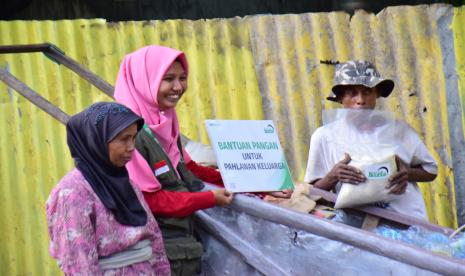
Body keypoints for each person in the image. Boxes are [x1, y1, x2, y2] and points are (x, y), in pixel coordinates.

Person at [114, 45, 291, 275]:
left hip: (182, 249)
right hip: (154, 256)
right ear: (144, 79)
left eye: (182, 78)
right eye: (168, 79)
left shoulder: (163, 124)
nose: (178, 87)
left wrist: (259, 185)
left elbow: (191, 170)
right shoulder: (129, 135)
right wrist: (209, 198)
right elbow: (151, 199)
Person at [46, 102, 170, 275]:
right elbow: (78, 264)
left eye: (133, 138)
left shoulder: (128, 185)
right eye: (124, 139)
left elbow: (155, 242)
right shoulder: (72, 193)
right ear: (97, 140)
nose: (131, 147)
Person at [304, 60, 437, 219]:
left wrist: (407, 173)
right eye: (352, 93)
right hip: (356, 227)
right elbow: (311, 194)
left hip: (406, 222)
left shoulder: (399, 130)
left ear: (377, 94)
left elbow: (431, 171)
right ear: (340, 98)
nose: (360, 100)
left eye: (367, 92)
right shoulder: (324, 137)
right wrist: (333, 176)